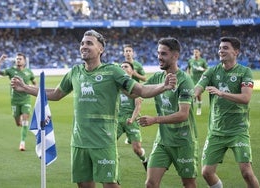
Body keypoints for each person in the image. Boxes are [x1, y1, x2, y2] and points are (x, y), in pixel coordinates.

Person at [11, 30, 177, 188]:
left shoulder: (113, 71)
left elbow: (139, 90)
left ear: (100, 49)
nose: (84, 46)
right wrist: (26, 88)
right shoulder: (75, 72)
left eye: (89, 43)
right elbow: (55, 93)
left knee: (111, 184)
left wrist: (163, 86)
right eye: (82, 43)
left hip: (104, 142)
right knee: (84, 185)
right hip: (79, 142)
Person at [194, 37, 260, 188]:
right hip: (216, 131)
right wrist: (188, 94)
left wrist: (221, 93)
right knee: (206, 172)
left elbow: (245, 98)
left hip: (238, 130)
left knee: (247, 173)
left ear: (236, 52)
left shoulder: (245, 72)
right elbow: (198, 88)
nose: (220, 51)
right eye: (220, 48)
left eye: (225, 48)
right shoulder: (212, 71)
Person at [138, 37, 198, 188]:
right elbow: (140, 91)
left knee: (189, 184)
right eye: (158, 53)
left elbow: (183, 114)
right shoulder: (158, 77)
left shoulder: (185, 80)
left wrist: (155, 120)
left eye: (163, 53)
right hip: (163, 141)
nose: (159, 57)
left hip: (183, 141)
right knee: (151, 183)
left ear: (175, 56)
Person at [0, 53, 36, 151]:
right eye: (17, 59)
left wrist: (33, 87)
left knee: (25, 119)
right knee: (18, 123)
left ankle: (22, 143)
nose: (18, 60)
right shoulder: (11, 70)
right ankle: (23, 127)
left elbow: (34, 82)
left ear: (24, 61)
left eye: (20, 59)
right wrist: (1, 60)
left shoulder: (29, 72)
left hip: (26, 99)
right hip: (15, 101)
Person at [117, 61, 148, 171]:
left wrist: (132, 119)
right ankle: (113, 163)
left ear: (131, 70)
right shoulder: (116, 85)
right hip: (118, 120)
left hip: (131, 119)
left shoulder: (135, 86)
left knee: (137, 149)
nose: (123, 68)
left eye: (126, 66)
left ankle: (144, 160)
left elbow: (138, 106)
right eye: (121, 67)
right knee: (109, 144)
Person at [122, 44, 147, 144]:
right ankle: (131, 133)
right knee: (125, 111)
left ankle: (133, 134)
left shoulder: (138, 65)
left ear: (133, 53)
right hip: (125, 90)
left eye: (129, 51)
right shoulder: (122, 65)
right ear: (124, 53)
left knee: (136, 109)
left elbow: (144, 78)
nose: (128, 53)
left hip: (136, 90)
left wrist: (135, 74)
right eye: (126, 51)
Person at [187, 48, 208, 115]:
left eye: (196, 52)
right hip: (192, 80)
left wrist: (202, 69)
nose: (195, 53)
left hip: (200, 80)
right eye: (194, 52)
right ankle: (192, 105)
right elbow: (188, 68)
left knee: (198, 94)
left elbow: (207, 70)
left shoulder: (202, 61)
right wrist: (188, 75)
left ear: (199, 53)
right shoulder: (190, 61)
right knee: (191, 93)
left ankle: (199, 108)